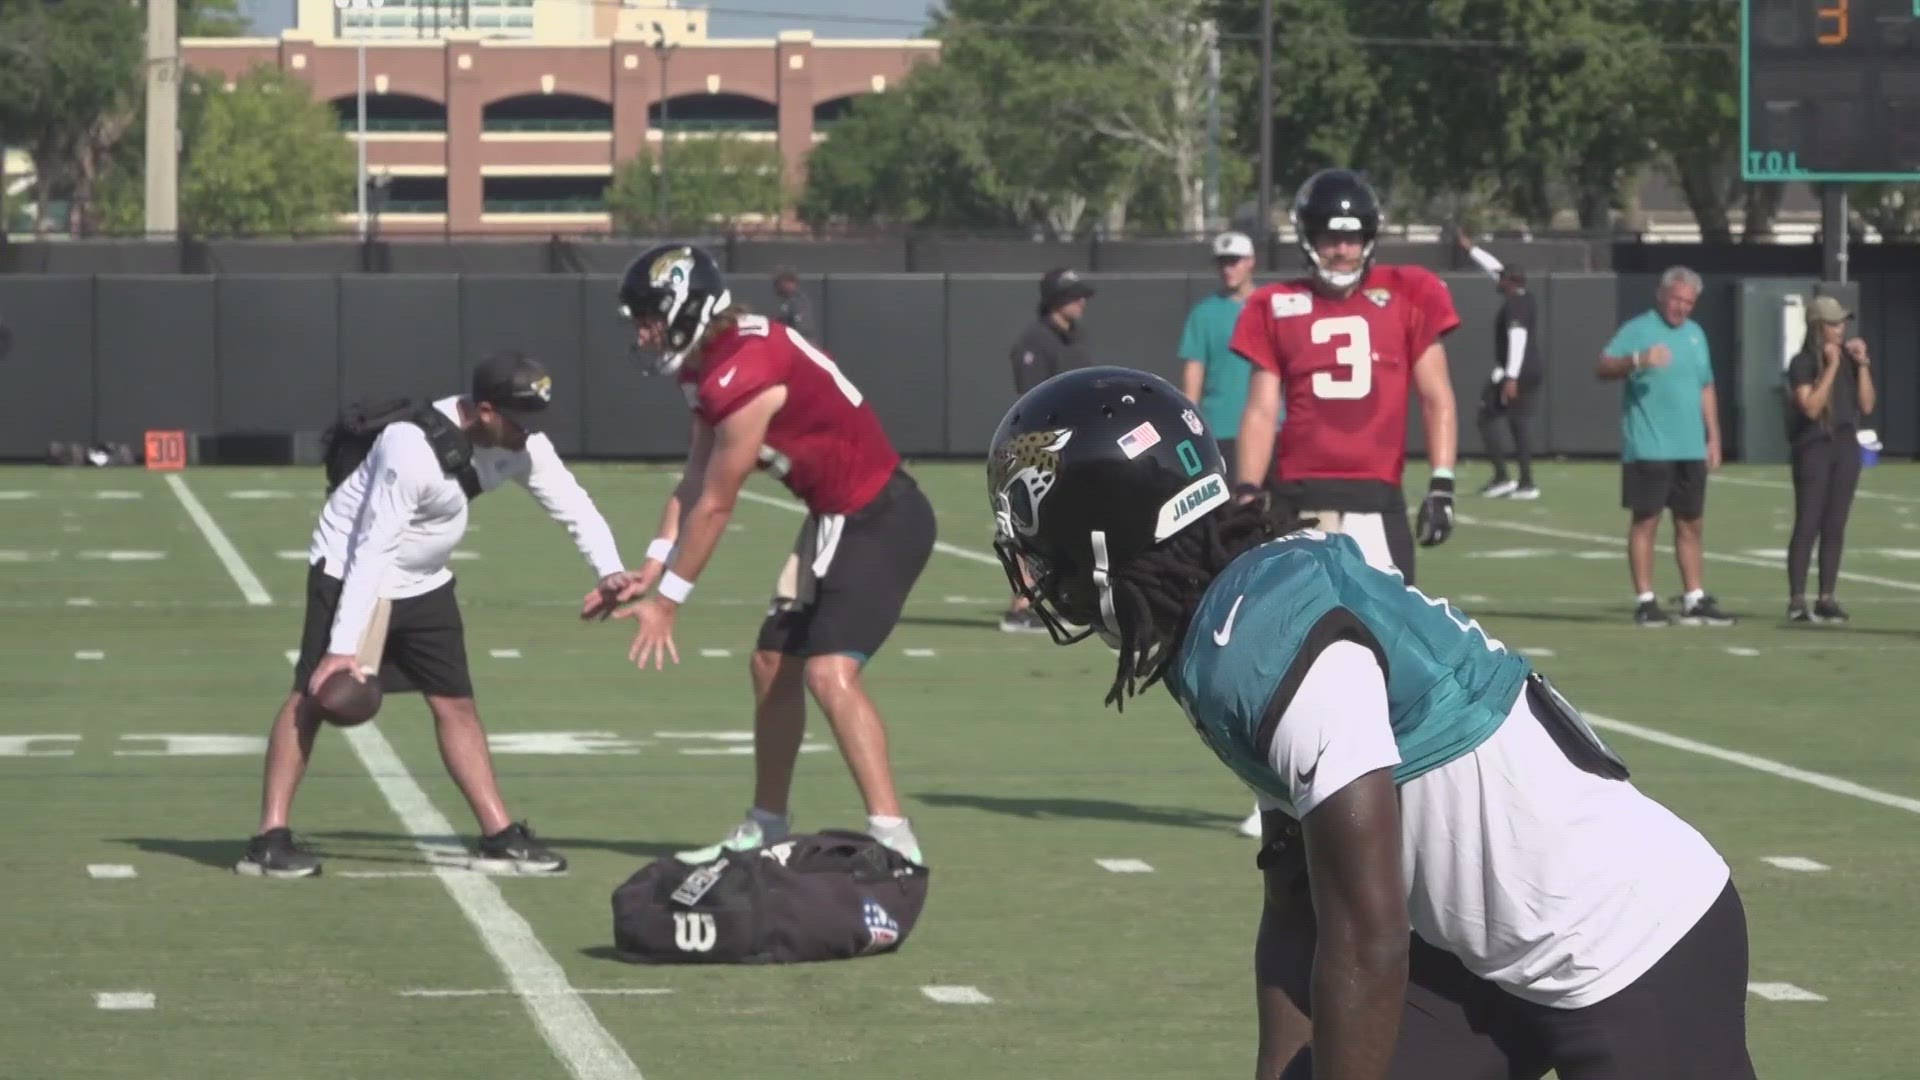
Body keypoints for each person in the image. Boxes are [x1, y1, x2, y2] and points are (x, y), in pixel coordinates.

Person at [986, 366, 1755, 1080]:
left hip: (1623, 942)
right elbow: (1298, 899)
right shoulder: (1230, 613)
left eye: (1032, 532)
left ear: (1103, 532)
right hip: (1473, 953)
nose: (1031, 569)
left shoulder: (1262, 636)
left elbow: (1365, 936)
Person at [239, 352, 631, 878]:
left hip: (426, 582)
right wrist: (343, 646)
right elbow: (373, 547)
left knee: (456, 704)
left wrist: (609, 570)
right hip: (353, 571)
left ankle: (498, 836)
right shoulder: (410, 447)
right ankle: (269, 839)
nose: (530, 433)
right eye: (520, 420)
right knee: (312, 696)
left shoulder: (520, 443)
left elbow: (571, 503)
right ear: (485, 410)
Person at [605, 242, 935, 865]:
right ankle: (768, 823)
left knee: (827, 673)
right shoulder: (708, 365)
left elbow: (717, 505)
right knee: (770, 663)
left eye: (650, 316)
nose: (644, 333)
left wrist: (670, 602)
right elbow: (694, 479)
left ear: (686, 308)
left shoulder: (744, 371)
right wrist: (650, 567)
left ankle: (896, 840)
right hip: (834, 519)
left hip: (879, 518)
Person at [1230, 168, 1461, 585]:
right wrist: (1247, 488)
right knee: (1299, 631)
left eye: (1351, 238)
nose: (1341, 250)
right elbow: (1262, 410)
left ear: (1368, 237)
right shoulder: (1275, 303)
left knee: (1388, 635)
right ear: (1307, 237)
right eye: (1329, 237)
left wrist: (1442, 481)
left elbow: (1436, 396)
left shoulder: (1410, 291)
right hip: (1298, 497)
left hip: (1375, 496)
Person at [1597, 267, 1733, 627]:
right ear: (1662, 295)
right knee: (1646, 522)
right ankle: (1645, 600)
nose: (1682, 308)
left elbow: (1706, 386)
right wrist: (1638, 359)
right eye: (1677, 299)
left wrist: (1714, 436)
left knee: (1692, 523)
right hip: (1649, 447)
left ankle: (1694, 597)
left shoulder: (1695, 335)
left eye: (1689, 302)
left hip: (1690, 448)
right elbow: (1603, 365)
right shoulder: (1637, 329)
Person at [1002, 267, 1096, 631]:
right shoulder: (1033, 341)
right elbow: (1029, 399)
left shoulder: (1076, 338)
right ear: (1055, 299)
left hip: (1075, 444)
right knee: (1029, 524)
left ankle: (1060, 598)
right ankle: (1020, 606)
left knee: (1066, 524)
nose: (1082, 302)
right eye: (1074, 295)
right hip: (1041, 448)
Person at [1785, 294, 1876, 623]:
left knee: (1835, 524)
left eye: (1842, 323)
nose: (1841, 328)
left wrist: (1862, 363)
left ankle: (1827, 596)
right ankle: (1797, 598)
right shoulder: (1803, 363)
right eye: (1834, 323)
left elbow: (1866, 406)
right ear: (1818, 327)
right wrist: (1832, 366)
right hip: (1814, 445)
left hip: (1845, 444)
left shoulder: (1851, 361)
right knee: (1808, 521)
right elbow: (1810, 407)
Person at [1455, 229, 1541, 499]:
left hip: (1518, 371)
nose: (1497, 281)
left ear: (1510, 283)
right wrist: (1472, 250)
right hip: (1524, 369)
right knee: (1508, 421)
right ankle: (1513, 478)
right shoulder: (1522, 295)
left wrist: (1510, 377)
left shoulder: (1515, 306)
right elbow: (1495, 269)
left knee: (1498, 419)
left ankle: (1518, 481)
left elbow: (1518, 338)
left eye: (1502, 280)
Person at [1179, 230, 1265, 470]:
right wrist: (1191, 425)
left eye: (1234, 262)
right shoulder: (1203, 313)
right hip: (1220, 428)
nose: (1228, 270)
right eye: (1223, 263)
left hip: (1270, 428)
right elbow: (1193, 372)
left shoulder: (1271, 306)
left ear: (1251, 262)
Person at [772, 265, 811, 334]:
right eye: (785, 281)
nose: (788, 285)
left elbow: (803, 327)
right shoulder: (775, 300)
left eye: (791, 281)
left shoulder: (800, 301)